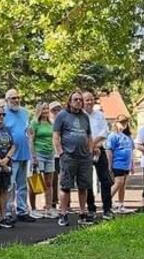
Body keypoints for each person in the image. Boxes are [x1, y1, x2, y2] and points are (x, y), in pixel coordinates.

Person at [53, 91, 94, 226]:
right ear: (69, 101)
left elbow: (89, 136)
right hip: (68, 156)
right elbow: (56, 136)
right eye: (75, 99)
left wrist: (90, 152)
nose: (78, 102)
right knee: (65, 186)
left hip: (84, 158)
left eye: (80, 100)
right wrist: (61, 153)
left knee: (84, 186)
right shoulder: (62, 116)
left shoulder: (85, 117)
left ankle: (83, 213)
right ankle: (63, 214)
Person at [2, 89, 36, 222]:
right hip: (10, 154)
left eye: (18, 98)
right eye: (13, 98)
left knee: (22, 184)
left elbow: (27, 130)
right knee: (10, 184)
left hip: (24, 151)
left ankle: (22, 210)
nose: (16, 100)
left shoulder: (24, 112)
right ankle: (8, 211)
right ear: (7, 100)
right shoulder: (3, 113)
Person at [83, 91, 114, 220]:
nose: (89, 102)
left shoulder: (100, 115)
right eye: (86, 100)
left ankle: (107, 209)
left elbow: (105, 131)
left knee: (105, 180)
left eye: (91, 100)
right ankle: (91, 208)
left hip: (99, 149)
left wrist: (94, 144)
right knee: (87, 181)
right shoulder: (80, 117)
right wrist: (90, 146)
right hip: (85, 151)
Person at [29, 102, 57, 218]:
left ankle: (49, 207)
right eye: (44, 108)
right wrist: (33, 156)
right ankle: (33, 208)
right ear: (39, 110)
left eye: (47, 108)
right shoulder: (35, 123)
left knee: (49, 183)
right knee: (35, 181)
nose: (46, 110)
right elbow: (31, 139)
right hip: (38, 154)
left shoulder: (51, 123)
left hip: (49, 154)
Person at [106, 115, 134, 213]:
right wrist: (109, 164)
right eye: (121, 122)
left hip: (126, 164)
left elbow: (131, 151)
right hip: (117, 163)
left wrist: (132, 165)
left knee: (123, 185)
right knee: (118, 182)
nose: (123, 124)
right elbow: (109, 150)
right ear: (116, 123)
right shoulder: (113, 135)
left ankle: (121, 204)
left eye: (125, 122)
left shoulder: (128, 136)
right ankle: (106, 201)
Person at [48, 101, 63, 210]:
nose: (56, 112)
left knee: (64, 179)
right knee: (52, 180)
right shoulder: (48, 123)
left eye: (58, 109)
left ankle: (65, 202)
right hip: (50, 154)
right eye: (54, 110)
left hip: (62, 153)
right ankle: (52, 202)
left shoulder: (64, 121)